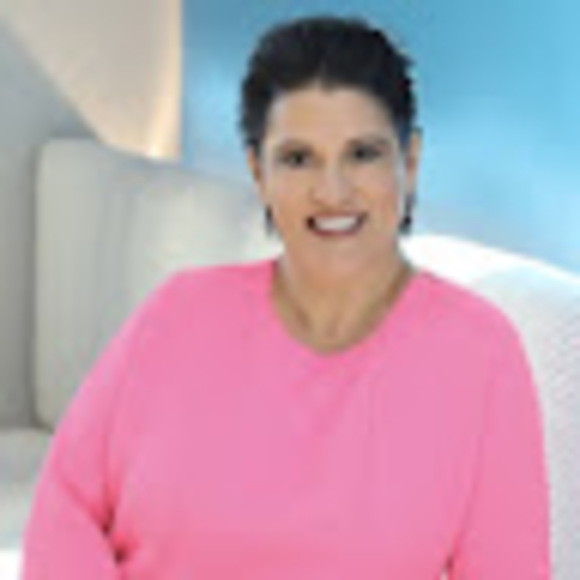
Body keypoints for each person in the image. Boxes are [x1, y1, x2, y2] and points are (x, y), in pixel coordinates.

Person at [22, 14, 552, 579]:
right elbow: (65, 506)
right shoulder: (178, 313)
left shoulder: (479, 354)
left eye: (363, 154)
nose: (332, 191)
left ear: (411, 161)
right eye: (298, 158)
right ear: (259, 173)